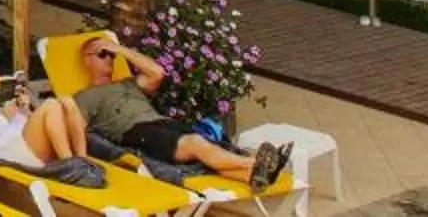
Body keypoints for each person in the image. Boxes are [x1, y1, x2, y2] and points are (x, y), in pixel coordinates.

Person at [72, 35, 288, 191]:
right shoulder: (85, 97)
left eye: (110, 53)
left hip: (163, 124)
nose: (109, 57)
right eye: (102, 53)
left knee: (208, 154)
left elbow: (157, 72)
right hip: (138, 133)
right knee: (196, 144)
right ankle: (257, 164)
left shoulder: (129, 83)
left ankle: (256, 175)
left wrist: (121, 49)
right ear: (86, 59)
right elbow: (76, 129)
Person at [0, 58, 89, 166]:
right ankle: (69, 165)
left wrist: (25, 110)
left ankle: (83, 161)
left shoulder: (1, 99)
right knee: (51, 103)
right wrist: (4, 118)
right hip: (16, 150)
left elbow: (39, 124)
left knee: (66, 100)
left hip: (34, 142)